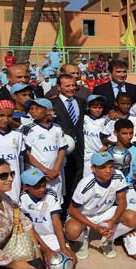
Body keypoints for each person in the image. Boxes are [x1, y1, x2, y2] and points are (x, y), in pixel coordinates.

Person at [65, 152, 136, 260]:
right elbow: (72, 210)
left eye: (111, 166)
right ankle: (82, 241)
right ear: (93, 168)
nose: (109, 170)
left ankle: (107, 239)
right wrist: (95, 227)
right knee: (72, 230)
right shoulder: (85, 184)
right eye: (103, 167)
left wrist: (113, 220)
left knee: (132, 217)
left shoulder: (118, 176)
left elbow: (122, 202)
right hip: (85, 215)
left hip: (105, 212)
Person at [19, 168, 77, 262]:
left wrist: (63, 247)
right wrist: (46, 249)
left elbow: (56, 222)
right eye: (37, 187)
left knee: (68, 260)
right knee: (38, 262)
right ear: (25, 187)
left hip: (50, 235)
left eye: (44, 185)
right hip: (32, 237)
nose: (42, 189)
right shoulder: (21, 199)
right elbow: (29, 228)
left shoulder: (51, 195)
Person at [50, 74, 87, 214]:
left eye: (73, 85)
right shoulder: (53, 104)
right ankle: (62, 212)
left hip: (79, 149)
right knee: (64, 181)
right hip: (62, 151)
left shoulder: (81, 102)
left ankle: (74, 211)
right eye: (67, 86)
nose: (72, 88)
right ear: (58, 87)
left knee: (78, 179)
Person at [22, 98, 68, 200]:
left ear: (48, 111)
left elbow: (62, 149)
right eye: (31, 108)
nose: (32, 111)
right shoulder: (28, 128)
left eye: (37, 108)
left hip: (55, 174)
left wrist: (55, 170)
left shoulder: (57, 128)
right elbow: (27, 154)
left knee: (55, 202)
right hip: (38, 174)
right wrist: (46, 170)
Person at [83, 95, 108, 172]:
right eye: (94, 107)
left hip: (102, 155)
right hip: (87, 157)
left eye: (100, 108)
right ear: (89, 107)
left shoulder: (106, 120)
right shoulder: (84, 119)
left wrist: (107, 146)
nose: (97, 110)